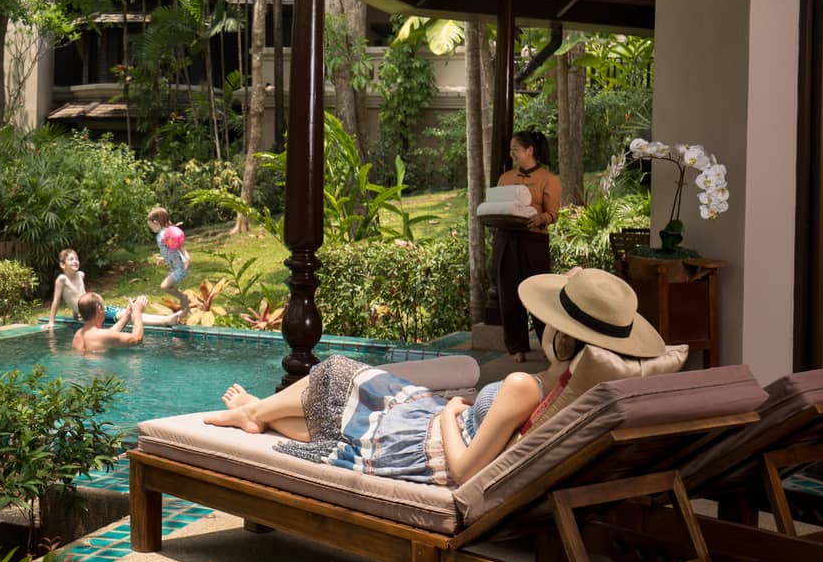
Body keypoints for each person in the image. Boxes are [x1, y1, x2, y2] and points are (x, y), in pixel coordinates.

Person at [205, 268, 665, 485]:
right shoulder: (583, 388)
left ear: (559, 334)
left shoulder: (524, 386)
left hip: (428, 445)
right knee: (346, 397)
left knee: (338, 369)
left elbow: (465, 471)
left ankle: (255, 413)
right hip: (429, 430)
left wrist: (450, 412)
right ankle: (257, 414)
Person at [493, 129, 562, 362]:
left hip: (533, 241)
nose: (511, 154)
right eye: (511, 150)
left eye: (516, 149)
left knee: (539, 294)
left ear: (529, 150)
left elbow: (553, 213)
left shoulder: (548, 180)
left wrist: (542, 218)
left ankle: (549, 346)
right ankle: (517, 347)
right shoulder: (505, 178)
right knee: (509, 294)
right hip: (506, 240)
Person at [43, 248, 183, 329]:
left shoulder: (81, 275)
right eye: (71, 259)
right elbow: (57, 301)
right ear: (62, 265)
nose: (75, 261)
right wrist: (51, 322)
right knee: (127, 316)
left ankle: (166, 320)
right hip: (90, 314)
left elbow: (81, 296)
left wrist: (78, 314)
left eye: (76, 259)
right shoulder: (62, 279)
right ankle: (166, 320)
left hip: (97, 310)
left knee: (128, 315)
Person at [72, 292, 151, 352]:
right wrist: (137, 311)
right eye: (104, 308)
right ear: (99, 309)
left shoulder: (78, 334)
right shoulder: (103, 336)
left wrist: (127, 314)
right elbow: (137, 339)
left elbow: (108, 334)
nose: (105, 311)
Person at [148, 206, 190, 311]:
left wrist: (187, 259)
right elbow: (170, 249)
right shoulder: (162, 234)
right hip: (175, 267)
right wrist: (164, 259)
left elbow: (180, 247)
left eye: (151, 226)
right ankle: (185, 308)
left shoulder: (167, 234)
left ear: (156, 222)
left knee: (164, 286)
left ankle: (184, 298)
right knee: (167, 287)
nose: (151, 228)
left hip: (181, 267)